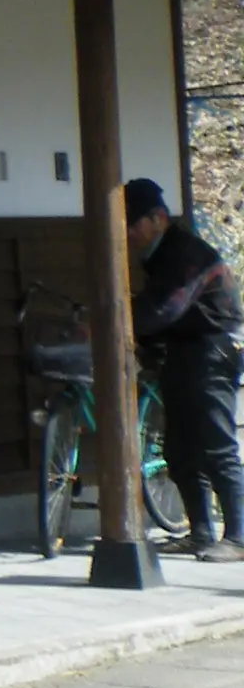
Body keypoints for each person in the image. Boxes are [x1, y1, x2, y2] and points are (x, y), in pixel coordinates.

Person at [127, 178, 244, 560]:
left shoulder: (186, 253)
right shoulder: (159, 254)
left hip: (214, 345)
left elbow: (165, 309)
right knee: (179, 447)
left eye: (133, 223)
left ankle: (239, 536)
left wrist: (116, 320)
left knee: (217, 444)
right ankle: (200, 532)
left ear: (158, 218)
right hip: (183, 348)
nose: (128, 233)